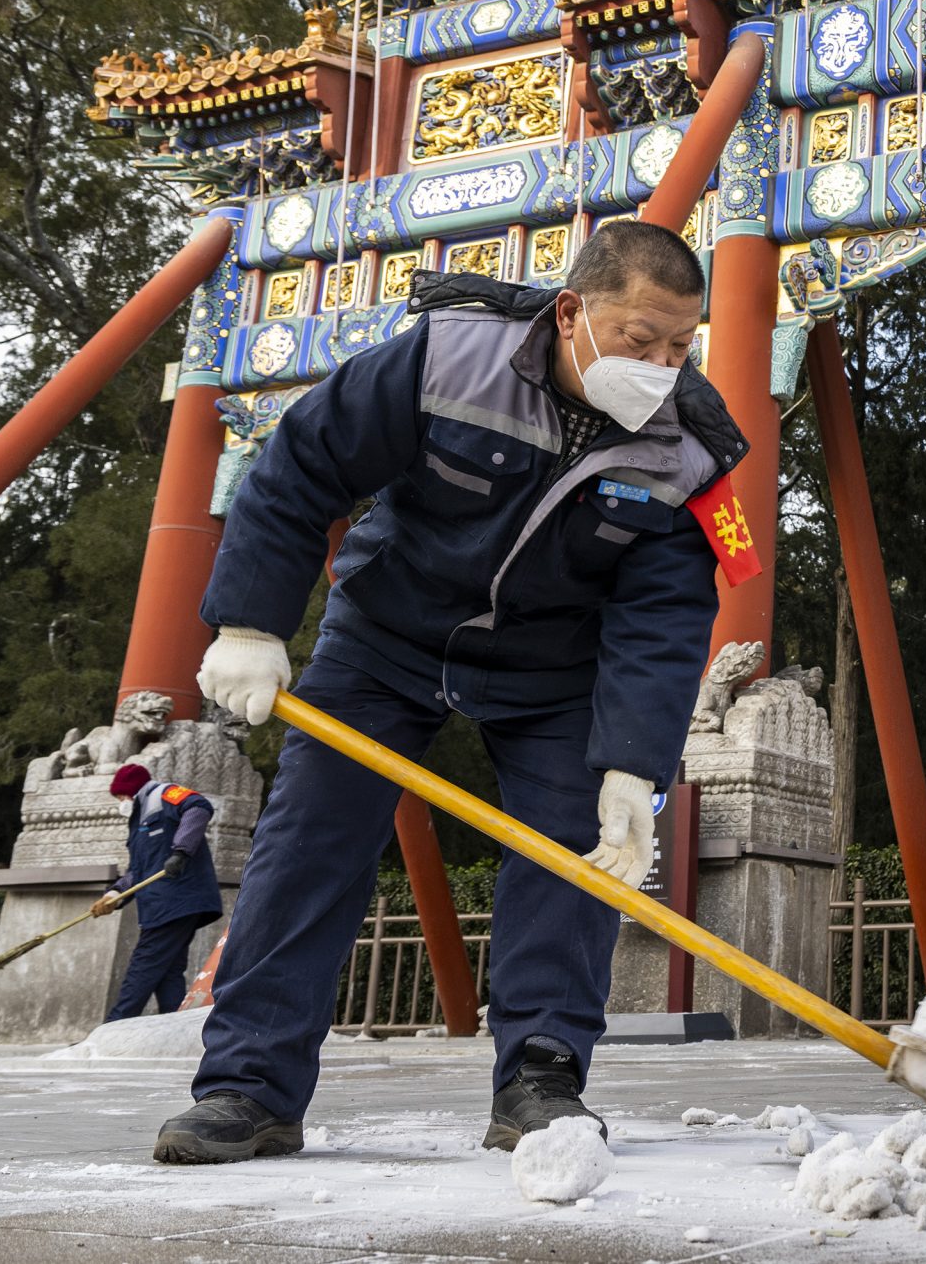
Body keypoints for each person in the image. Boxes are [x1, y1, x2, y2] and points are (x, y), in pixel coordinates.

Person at [151, 221, 758, 1165]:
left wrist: (633, 766)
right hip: (385, 637)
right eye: (641, 339)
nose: (661, 364)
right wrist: (248, 622)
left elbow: (664, 617)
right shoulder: (446, 356)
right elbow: (303, 464)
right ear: (571, 313)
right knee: (309, 841)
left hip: (556, 672)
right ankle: (248, 1087)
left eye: (681, 345)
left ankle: (541, 1080)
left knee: (571, 855)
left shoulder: (690, 448)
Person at [92, 761, 223, 1019]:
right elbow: (137, 872)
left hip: (176, 900)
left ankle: (113, 1028)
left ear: (131, 790)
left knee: (142, 968)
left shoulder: (164, 794)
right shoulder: (138, 820)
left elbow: (198, 806)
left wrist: (181, 851)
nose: (120, 801)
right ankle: (170, 1029)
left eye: (120, 795)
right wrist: (113, 896)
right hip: (161, 905)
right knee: (169, 971)